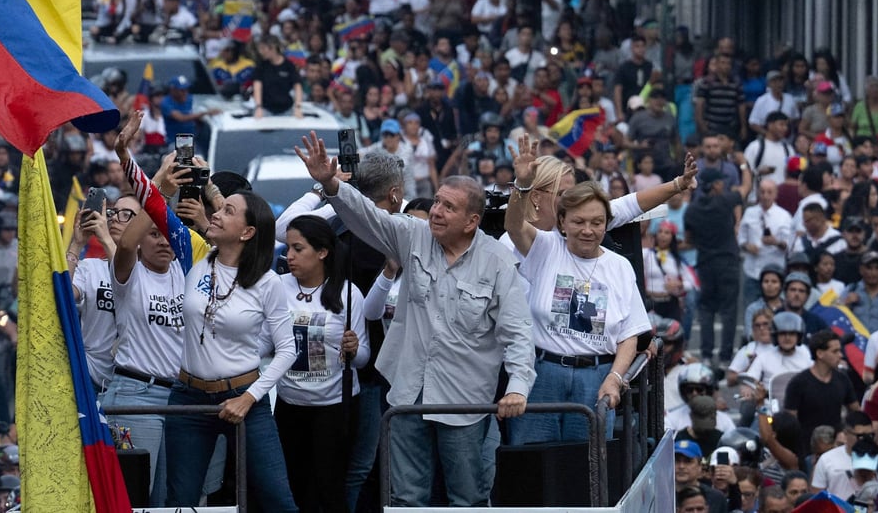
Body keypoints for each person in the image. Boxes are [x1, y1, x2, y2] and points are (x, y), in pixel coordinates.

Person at [297, 131, 535, 507]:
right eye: (437, 202)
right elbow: (367, 217)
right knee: (406, 499)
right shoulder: (413, 235)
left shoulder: (498, 261)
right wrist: (329, 184)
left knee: (467, 499)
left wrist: (518, 385)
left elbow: (518, 330)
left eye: (448, 208)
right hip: (407, 392)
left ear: (473, 221)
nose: (436, 211)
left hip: (465, 402)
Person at [114, 112, 297, 509]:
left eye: (227, 212)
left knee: (278, 499)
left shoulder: (266, 281)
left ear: (247, 233)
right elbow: (142, 222)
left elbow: (287, 351)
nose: (215, 213)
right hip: (188, 398)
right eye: (219, 208)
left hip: (245, 398)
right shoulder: (192, 255)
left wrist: (250, 399)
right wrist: (126, 155)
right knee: (181, 501)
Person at [505, 137, 651, 443]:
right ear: (562, 223)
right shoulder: (544, 248)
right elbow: (515, 226)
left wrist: (615, 378)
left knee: (588, 471)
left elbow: (629, 334)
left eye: (597, 222)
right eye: (579, 221)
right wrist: (522, 184)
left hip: (595, 378)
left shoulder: (620, 266)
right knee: (534, 466)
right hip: (543, 375)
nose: (588, 230)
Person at [267, 215, 369, 512]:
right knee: (293, 486)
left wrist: (354, 348)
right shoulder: (277, 286)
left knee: (330, 487)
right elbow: (263, 342)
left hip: (335, 408)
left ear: (322, 251)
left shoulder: (348, 293)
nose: (289, 256)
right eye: (288, 249)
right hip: (289, 405)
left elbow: (362, 359)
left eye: (298, 249)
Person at [100, 186, 184, 506]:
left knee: (166, 500)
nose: (163, 241)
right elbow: (123, 243)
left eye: (167, 234)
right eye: (153, 234)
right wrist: (157, 190)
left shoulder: (185, 268)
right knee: (135, 497)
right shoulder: (129, 273)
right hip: (136, 394)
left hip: (179, 399)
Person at [68, 192, 140, 391]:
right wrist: (77, 243)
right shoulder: (91, 267)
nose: (115, 218)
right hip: (88, 375)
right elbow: (61, 297)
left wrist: (106, 238)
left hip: (133, 384)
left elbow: (127, 278)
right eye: (113, 212)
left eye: (126, 214)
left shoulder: (151, 272)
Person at [685, 168, 743, 366]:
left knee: (707, 309)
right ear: (717, 184)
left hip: (705, 262)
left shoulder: (692, 209)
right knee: (728, 310)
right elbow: (747, 188)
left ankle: (707, 355)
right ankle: (726, 357)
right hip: (728, 262)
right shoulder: (725, 200)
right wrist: (744, 166)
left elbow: (689, 239)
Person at [738, 180, 791, 304]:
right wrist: (747, 246)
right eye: (762, 192)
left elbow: (790, 245)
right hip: (752, 272)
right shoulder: (750, 213)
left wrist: (776, 242)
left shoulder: (784, 216)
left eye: (769, 192)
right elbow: (741, 238)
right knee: (750, 311)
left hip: (774, 273)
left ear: (775, 194)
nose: (765, 196)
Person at [811, 410, 875, 501]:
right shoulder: (827, 459)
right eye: (860, 436)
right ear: (846, 433)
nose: (866, 440)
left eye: (870, 435)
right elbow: (816, 497)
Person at [741, 311, 813, 391]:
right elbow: (750, 380)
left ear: (799, 336)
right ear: (775, 336)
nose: (787, 338)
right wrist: (747, 389)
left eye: (792, 333)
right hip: (770, 402)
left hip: (801, 401)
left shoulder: (807, 353)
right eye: (782, 334)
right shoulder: (764, 357)